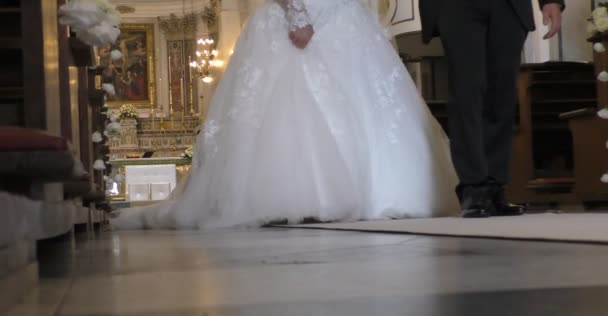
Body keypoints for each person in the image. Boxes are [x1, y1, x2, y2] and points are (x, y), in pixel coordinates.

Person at [112, 0, 460, 230]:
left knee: (365, 100)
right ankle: (304, 196)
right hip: (302, 14)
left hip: (341, 15)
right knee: (296, 101)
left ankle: (383, 191)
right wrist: (297, 13)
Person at [419, 0, 565, 218]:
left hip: (508, 6)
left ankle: (495, 187)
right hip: (456, 6)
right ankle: (473, 187)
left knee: (502, 96)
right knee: (466, 91)